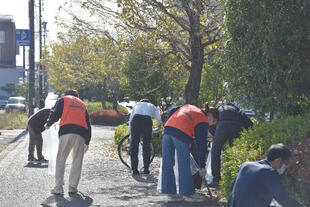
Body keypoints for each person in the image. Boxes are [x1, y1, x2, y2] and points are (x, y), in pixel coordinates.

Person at [45, 89, 91, 195]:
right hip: (81, 134)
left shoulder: (63, 99)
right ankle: (73, 187)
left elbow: (55, 112)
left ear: (66, 94)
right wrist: (87, 141)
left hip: (67, 131)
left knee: (61, 158)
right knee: (77, 160)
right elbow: (88, 124)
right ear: (77, 96)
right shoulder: (82, 104)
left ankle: (58, 188)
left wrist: (49, 123)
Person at [228, 143, 305, 207]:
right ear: (278, 161)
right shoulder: (269, 172)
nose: (285, 167)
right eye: (286, 164)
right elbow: (282, 198)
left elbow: (232, 187)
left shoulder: (245, 165)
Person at [161, 104, 209, 202]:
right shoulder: (203, 120)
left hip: (167, 130)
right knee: (184, 163)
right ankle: (187, 194)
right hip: (181, 133)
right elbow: (201, 144)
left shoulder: (188, 107)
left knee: (167, 162)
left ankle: (170, 193)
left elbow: (173, 109)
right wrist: (202, 166)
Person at [210, 103, 253, 187]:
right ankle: (235, 178)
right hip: (237, 125)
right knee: (235, 152)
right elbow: (249, 124)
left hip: (222, 124)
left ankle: (216, 179)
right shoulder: (237, 110)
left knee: (215, 151)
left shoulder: (220, 109)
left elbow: (213, 124)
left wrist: (215, 136)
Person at [128, 98, 162, 175]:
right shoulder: (152, 106)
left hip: (136, 120)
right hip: (147, 121)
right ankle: (146, 169)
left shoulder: (137, 105)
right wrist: (159, 127)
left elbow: (131, 118)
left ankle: (135, 170)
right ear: (148, 102)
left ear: (141, 101)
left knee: (134, 146)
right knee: (146, 146)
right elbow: (159, 118)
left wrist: (130, 129)